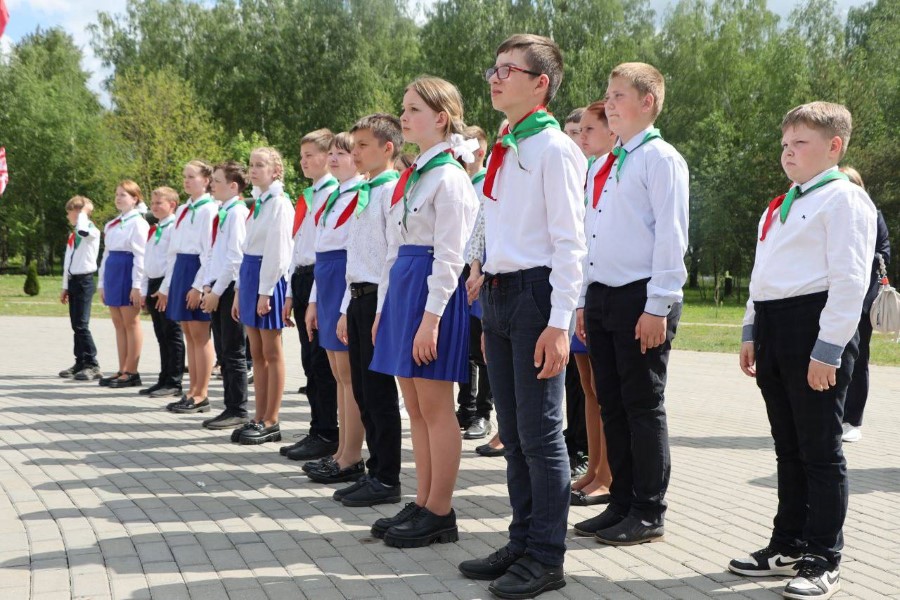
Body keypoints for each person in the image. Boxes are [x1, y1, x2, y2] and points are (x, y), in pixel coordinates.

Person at [729, 102, 875, 600]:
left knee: (820, 450)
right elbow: (762, 274)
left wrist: (827, 350)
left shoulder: (845, 200)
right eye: (785, 144)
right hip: (775, 326)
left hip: (814, 328)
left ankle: (823, 556)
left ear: (834, 147)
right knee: (787, 446)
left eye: (800, 144)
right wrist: (751, 329)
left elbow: (850, 281)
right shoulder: (781, 204)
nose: (788, 153)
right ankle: (787, 544)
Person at [457, 35, 586, 599]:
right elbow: (496, 223)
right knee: (512, 433)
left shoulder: (554, 148)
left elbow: (570, 242)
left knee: (540, 434)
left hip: (537, 295)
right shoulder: (508, 146)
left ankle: (547, 556)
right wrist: (483, 273)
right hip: (500, 293)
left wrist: (559, 322)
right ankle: (523, 540)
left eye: (508, 70)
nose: (495, 77)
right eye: (494, 68)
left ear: (540, 84)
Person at [574, 63, 688, 548]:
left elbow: (671, 236)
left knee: (642, 405)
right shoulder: (605, 163)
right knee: (612, 403)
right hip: (603, 294)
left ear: (648, 102)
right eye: (608, 94)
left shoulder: (660, 159)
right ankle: (621, 501)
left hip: (641, 296)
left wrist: (658, 305)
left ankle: (648, 509)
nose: (609, 103)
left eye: (619, 95)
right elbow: (590, 235)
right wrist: (584, 298)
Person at [369, 77, 478, 549]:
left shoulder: (450, 178)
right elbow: (393, 249)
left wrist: (431, 319)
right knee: (413, 406)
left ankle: (440, 511)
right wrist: (383, 308)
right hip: (404, 291)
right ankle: (422, 499)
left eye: (414, 109)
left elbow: (451, 257)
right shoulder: (415, 175)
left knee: (435, 407)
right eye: (404, 107)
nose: (404, 116)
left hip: (432, 295)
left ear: (441, 118)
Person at [331, 114, 404, 508]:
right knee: (361, 388)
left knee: (378, 391)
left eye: (362, 146)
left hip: (379, 298)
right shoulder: (365, 190)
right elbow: (355, 255)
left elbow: (392, 254)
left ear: (387, 148)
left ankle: (387, 477)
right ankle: (374, 471)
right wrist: (346, 307)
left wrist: (381, 309)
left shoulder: (392, 191)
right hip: (358, 296)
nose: (355, 152)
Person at [303, 133, 368, 482]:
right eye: (331, 152)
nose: (334, 158)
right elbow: (320, 252)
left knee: (349, 376)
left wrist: (343, 306)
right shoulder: (333, 196)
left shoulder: (360, 193)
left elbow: (352, 254)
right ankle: (341, 451)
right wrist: (314, 300)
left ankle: (352, 456)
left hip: (343, 280)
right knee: (338, 375)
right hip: (326, 280)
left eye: (342, 152)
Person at [281, 129, 340, 462]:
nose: (303, 161)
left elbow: (321, 247)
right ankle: (318, 427)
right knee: (309, 360)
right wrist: (291, 292)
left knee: (321, 361)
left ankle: (328, 432)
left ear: (327, 156)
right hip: (303, 277)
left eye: (310, 155)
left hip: (321, 277)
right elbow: (298, 245)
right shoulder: (310, 195)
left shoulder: (332, 193)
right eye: (301, 156)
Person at [229, 147, 292, 444]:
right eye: (251, 165)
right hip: (251, 274)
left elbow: (278, 252)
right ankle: (258, 416)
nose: (253, 170)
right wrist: (239, 292)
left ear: (275, 170)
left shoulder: (279, 203)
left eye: (260, 165)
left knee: (271, 351)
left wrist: (265, 291)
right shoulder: (259, 203)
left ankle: (272, 419)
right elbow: (246, 250)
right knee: (256, 354)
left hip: (268, 277)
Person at [570, 100, 616, 507]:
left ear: (612, 131)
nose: (581, 137)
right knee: (588, 387)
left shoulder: (613, 171)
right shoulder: (589, 172)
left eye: (588, 129)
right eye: (579, 130)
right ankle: (593, 467)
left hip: (605, 289)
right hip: (580, 290)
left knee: (605, 389)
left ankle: (608, 474)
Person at [157, 160, 217, 413]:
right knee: (189, 334)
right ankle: (191, 390)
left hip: (197, 269)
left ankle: (202, 394)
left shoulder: (209, 209)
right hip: (181, 268)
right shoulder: (183, 209)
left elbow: (208, 251)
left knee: (200, 335)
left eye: (192, 176)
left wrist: (198, 285)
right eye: (185, 176)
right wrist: (167, 285)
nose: (186, 180)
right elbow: (173, 250)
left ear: (206, 180)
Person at [838, 166, 890, 443]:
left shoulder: (872, 215)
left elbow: (884, 254)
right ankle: (831, 417)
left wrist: (854, 254)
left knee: (857, 360)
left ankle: (852, 420)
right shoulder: (829, 214)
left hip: (861, 301)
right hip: (828, 301)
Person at [200, 161, 251, 432]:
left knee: (233, 352)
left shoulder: (237, 213)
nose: (212, 185)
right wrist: (207, 286)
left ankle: (238, 409)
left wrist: (217, 291)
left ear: (233, 186)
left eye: (217, 181)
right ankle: (229, 406)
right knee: (223, 351)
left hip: (229, 289)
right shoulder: (224, 212)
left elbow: (235, 258)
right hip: (218, 287)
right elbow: (214, 254)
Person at [458, 124, 494, 441]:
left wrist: (479, 268)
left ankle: (483, 412)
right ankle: (466, 407)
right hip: (458, 270)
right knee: (465, 346)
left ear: (480, 151)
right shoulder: (459, 182)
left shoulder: (486, 183)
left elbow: (484, 233)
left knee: (484, 350)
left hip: (478, 271)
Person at [97, 180, 149, 389]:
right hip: (113, 271)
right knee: (118, 323)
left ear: (135, 199)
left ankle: (132, 371)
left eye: (123, 195)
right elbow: (106, 254)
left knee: (131, 322)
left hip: (128, 270)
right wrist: (102, 282)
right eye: (117, 194)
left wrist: (137, 285)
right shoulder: (112, 224)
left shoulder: (138, 223)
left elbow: (141, 256)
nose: (118, 198)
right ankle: (122, 368)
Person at [139, 187, 185, 398]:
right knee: (161, 334)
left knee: (172, 333)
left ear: (172, 205)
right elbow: (147, 260)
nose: (154, 207)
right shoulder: (155, 229)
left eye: (159, 203)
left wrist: (165, 289)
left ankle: (174, 381)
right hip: (153, 282)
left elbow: (172, 261)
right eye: (153, 203)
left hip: (167, 284)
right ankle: (163, 377)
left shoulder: (174, 227)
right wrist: (143, 288)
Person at [59, 195, 102, 381]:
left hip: (85, 280)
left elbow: (83, 230)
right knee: (75, 324)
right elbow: (67, 263)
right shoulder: (73, 235)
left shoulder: (91, 231)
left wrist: (84, 212)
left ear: (78, 213)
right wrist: (65, 286)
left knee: (82, 325)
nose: (68, 216)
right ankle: (80, 361)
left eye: (70, 213)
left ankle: (92, 364)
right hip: (73, 280)